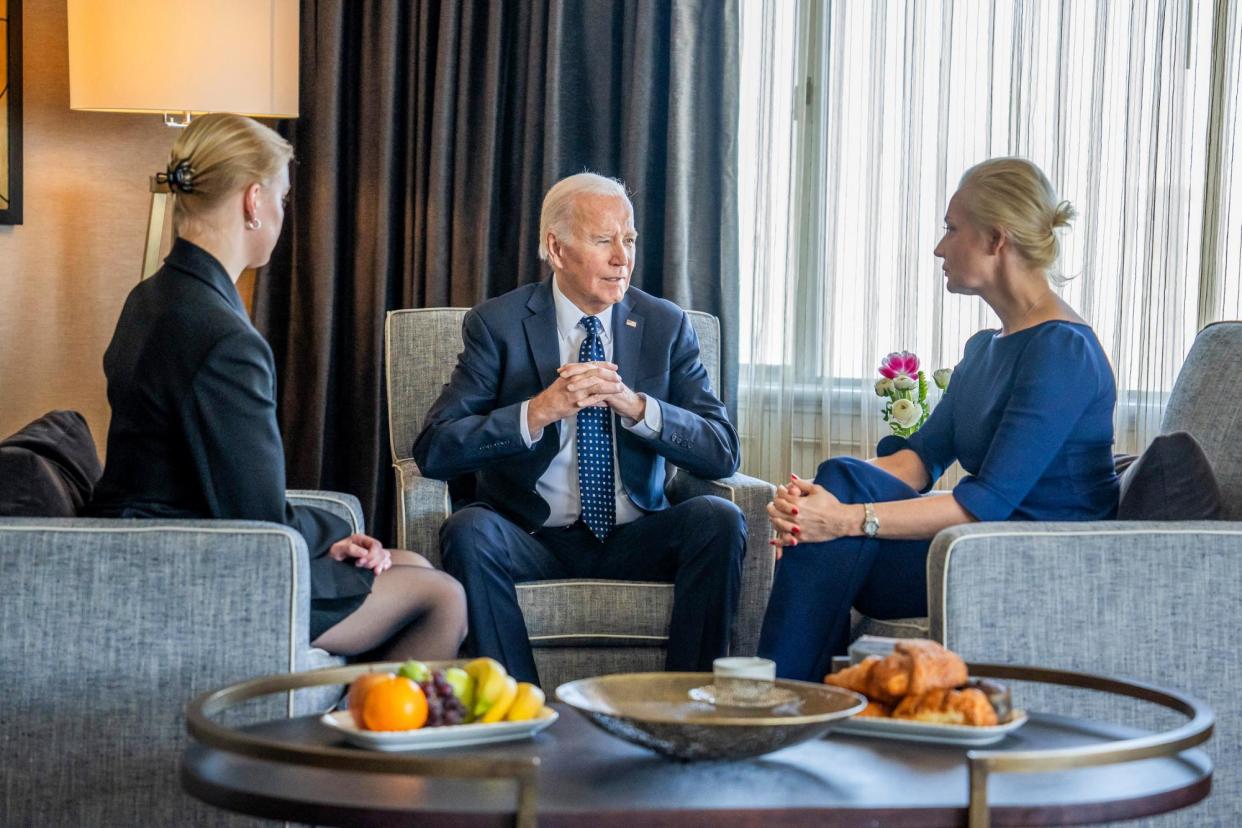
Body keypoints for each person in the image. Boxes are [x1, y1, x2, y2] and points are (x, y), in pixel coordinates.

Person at [88, 113, 466, 662]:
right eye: (283, 199)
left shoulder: (151, 297)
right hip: (196, 572)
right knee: (442, 596)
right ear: (253, 200)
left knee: (414, 566)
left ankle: (361, 731)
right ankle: (362, 743)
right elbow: (260, 524)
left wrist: (330, 534)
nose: (283, 214)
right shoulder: (223, 338)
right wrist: (335, 528)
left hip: (159, 546)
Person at [758, 158, 1119, 681]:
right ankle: (796, 705)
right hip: (977, 548)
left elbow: (986, 505)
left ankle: (782, 705)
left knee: (837, 523)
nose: (938, 248)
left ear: (997, 239)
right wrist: (821, 498)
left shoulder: (1063, 352)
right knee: (838, 478)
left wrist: (844, 517)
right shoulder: (986, 349)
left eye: (952, 229)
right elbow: (918, 461)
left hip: (1037, 561)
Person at [412, 172, 746, 686]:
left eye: (628, 240)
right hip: (533, 534)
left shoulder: (665, 324)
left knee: (719, 518)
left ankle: (686, 704)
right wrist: (539, 410)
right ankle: (517, 709)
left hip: (638, 532)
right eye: (603, 240)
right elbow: (436, 448)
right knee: (469, 530)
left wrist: (637, 408)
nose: (622, 257)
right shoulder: (498, 324)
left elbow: (722, 449)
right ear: (556, 248)